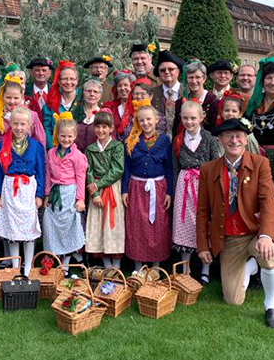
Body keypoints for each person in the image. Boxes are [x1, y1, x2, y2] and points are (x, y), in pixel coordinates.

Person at [196, 118, 274, 329]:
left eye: (239, 136)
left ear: (246, 140)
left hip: (254, 233)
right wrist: (202, 245)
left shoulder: (260, 163)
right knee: (233, 301)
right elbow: (202, 210)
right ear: (220, 140)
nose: (234, 140)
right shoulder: (208, 169)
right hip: (229, 240)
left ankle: (271, 305)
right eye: (229, 136)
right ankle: (251, 266)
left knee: (269, 255)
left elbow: (268, 201)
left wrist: (266, 236)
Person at [171, 100, 220, 284]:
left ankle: (205, 268)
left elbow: (216, 164)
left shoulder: (209, 138)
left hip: (203, 185)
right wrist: (174, 191)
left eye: (193, 118)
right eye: (185, 118)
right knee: (184, 224)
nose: (189, 122)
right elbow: (175, 167)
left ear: (201, 117)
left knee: (203, 223)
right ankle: (185, 267)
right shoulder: (177, 139)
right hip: (184, 186)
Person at [0, 106, 45, 277]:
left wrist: (39, 195)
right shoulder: (2, 145)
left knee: (29, 229)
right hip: (10, 188)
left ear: (29, 125)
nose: (19, 128)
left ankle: (28, 267)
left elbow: (41, 171)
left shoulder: (36, 146)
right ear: (10, 124)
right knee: (13, 229)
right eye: (15, 123)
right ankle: (16, 266)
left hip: (28, 189)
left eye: (23, 124)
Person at [122, 103, 173, 272]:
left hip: (158, 188)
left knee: (158, 226)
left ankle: (156, 267)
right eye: (141, 120)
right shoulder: (132, 140)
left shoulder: (164, 141)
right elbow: (127, 167)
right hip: (137, 187)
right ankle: (138, 266)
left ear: (157, 120)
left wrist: (169, 192)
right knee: (137, 226)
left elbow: (169, 168)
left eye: (149, 119)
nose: (145, 123)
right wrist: (125, 190)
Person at [43, 113, 88, 268]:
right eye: (62, 136)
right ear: (57, 135)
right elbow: (48, 174)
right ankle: (54, 260)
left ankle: (66, 265)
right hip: (56, 193)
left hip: (70, 192)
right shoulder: (51, 153)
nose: (66, 139)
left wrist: (80, 198)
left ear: (75, 136)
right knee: (54, 226)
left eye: (69, 136)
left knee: (68, 226)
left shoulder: (77, 156)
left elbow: (81, 177)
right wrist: (47, 194)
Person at [84, 110, 125, 269]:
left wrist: (99, 185)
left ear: (111, 129)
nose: (101, 130)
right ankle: (107, 265)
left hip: (111, 188)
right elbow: (89, 171)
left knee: (113, 225)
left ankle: (117, 265)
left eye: (104, 127)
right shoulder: (90, 149)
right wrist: (94, 193)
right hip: (96, 191)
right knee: (99, 225)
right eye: (98, 127)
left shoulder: (117, 146)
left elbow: (117, 170)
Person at [0, 77, 46, 147]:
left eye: (16, 98)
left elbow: (40, 142)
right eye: (8, 97)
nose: (12, 101)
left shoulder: (32, 115)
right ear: (2, 97)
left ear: (22, 97)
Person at [173, 60, 219, 135]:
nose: (194, 81)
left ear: (204, 78)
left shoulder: (213, 101)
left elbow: (214, 130)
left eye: (197, 77)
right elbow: (175, 130)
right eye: (190, 77)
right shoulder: (180, 103)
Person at [151, 50, 184, 137]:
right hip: (159, 141)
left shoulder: (188, 91)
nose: (166, 72)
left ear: (178, 72)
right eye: (162, 70)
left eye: (171, 69)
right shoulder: (152, 93)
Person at [103, 70, 136, 139]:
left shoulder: (138, 106)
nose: (122, 88)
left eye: (126, 85)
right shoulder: (110, 107)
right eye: (119, 86)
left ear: (132, 87)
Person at [73, 79, 104, 152]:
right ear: (83, 93)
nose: (92, 94)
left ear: (100, 95)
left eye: (95, 92)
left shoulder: (104, 115)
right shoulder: (74, 113)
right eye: (89, 91)